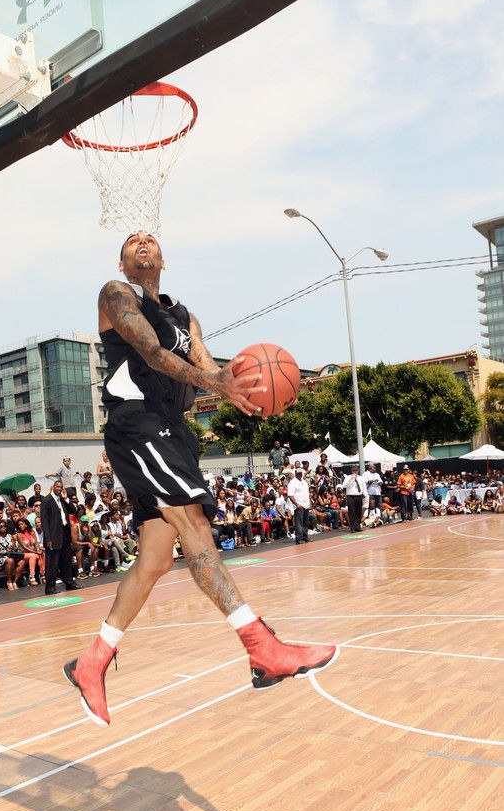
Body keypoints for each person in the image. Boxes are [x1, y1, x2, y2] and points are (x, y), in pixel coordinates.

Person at [63, 232, 338, 728]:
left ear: (164, 259)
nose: (142, 243)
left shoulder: (185, 318)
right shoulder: (116, 295)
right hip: (138, 423)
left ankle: (92, 662)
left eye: (150, 240)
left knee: (153, 561)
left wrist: (252, 391)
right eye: (132, 243)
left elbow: (211, 368)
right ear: (123, 262)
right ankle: (262, 647)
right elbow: (149, 352)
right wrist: (215, 382)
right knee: (195, 525)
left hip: (175, 431)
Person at [42, 480, 79, 594]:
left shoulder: (62, 499)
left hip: (65, 534)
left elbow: (74, 510)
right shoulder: (46, 500)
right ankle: (50, 587)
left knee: (66, 560)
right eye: (57, 487)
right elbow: (44, 521)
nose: (59, 489)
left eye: (61, 487)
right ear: (53, 487)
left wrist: (66, 498)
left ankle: (69, 583)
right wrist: (48, 538)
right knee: (53, 562)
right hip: (53, 536)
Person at [343, 467, 367, 532]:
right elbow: (344, 485)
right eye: (353, 470)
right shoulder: (348, 477)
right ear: (351, 471)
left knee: (358, 511)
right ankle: (352, 527)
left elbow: (364, 488)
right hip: (351, 496)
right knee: (352, 512)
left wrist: (366, 496)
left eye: (356, 470)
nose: (355, 472)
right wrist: (351, 479)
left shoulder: (361, 478)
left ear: (358, 471)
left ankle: (357, 526)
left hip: (359, 496)